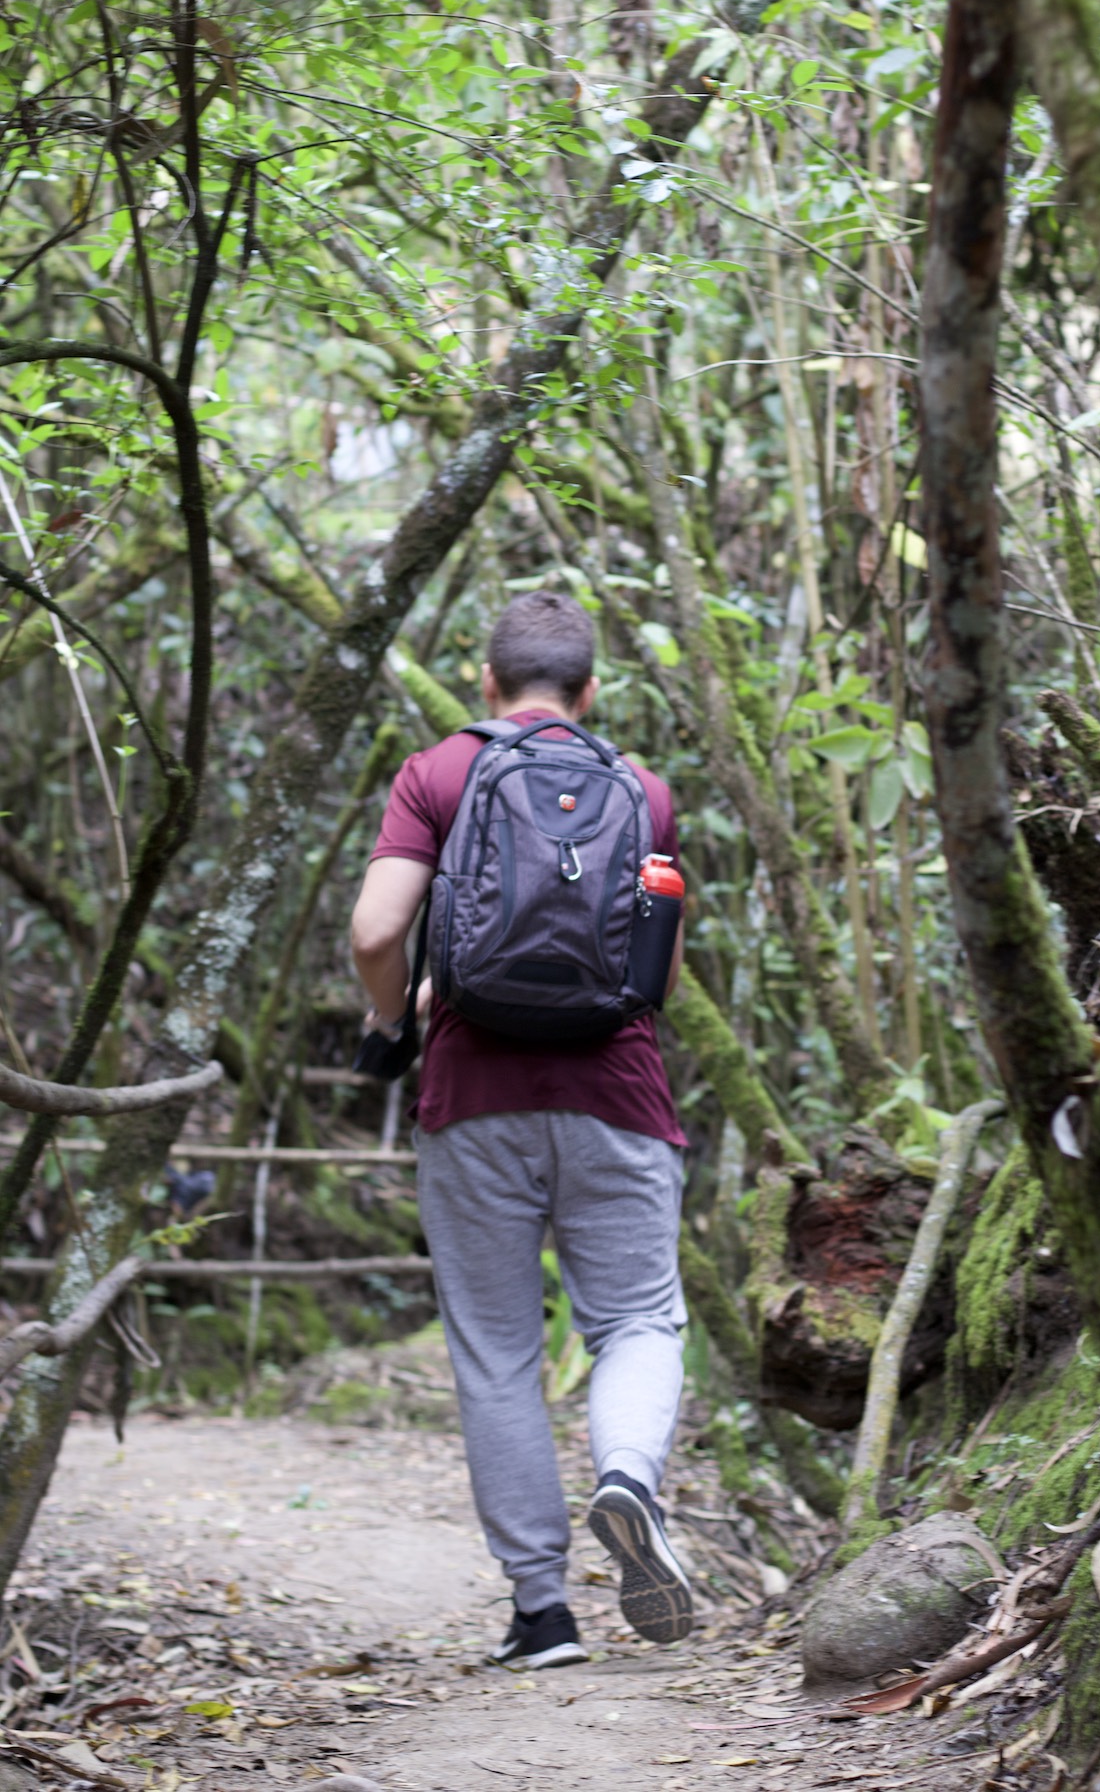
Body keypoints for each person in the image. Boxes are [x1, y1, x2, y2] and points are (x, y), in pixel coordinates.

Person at [350, 589, 692, 1669]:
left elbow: (375, 930)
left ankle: (541, 1614)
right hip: (619, 1098)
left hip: (472, 1096)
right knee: (636, 1320)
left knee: (497, 1354)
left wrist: (388, 1018)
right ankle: (628, 1474)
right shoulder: (642, 790)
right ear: (590, 693)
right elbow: (661, 976)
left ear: (487, 686)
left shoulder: (440, 771)